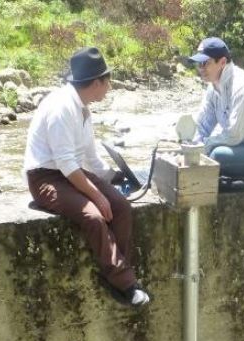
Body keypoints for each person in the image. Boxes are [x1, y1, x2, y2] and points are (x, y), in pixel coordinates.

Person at [23, 46, 150, 307]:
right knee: (93, 215)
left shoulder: (82, 108)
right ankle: (125, 283)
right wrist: (96, 195)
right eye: (108, 82)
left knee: (121, 207)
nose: (109, 88)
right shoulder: (62, 108)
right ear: (96, 83)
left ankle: (117, 274)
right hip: (45, 177)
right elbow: (66, 163)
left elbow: (90, 159)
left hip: (72, 173)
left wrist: (116, 177)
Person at [188, 37, 244, 180]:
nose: (201, 68)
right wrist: (191, 145)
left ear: (223, 62)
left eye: (205, 63)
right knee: (186, 152)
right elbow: (202, 125)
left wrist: (202, 147)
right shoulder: (213, 87)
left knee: (216, 156)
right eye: (199, 64)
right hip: (237, 147)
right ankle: (145, 177)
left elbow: (233, 135)